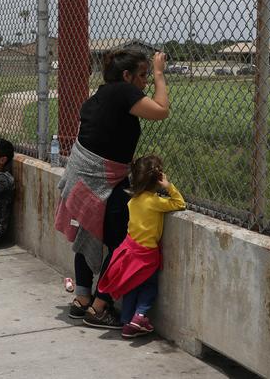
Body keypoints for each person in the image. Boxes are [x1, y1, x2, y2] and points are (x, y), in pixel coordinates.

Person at [55, 49, 169, 329]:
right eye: (141, 76)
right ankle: (99, 306)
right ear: (126, 75)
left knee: (87, 233)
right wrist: (158, 72)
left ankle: (82, 299)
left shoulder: (99, 96)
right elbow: (161, 110)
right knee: (121, 245)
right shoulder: (121, 91)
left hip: (82, 178)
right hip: (102, 180)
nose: (144, 83)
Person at [96, 155, 185, 338]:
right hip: (146, 254)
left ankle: (127, 322)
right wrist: (168, 186)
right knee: (149, 287)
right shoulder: (155, 202)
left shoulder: (132, 201)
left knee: (132, 286)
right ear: (157, 179)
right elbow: (179, 204)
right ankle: (140, 316)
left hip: (129, 250)